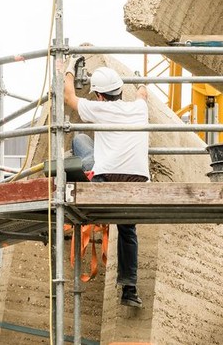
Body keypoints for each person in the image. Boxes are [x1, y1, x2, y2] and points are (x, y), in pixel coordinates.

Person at [62, 63, 149, 308]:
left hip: (107, 178)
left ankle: (75, 162)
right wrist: (140, 80)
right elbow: (143, 93)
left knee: (79, 140)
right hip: (137, 181)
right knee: (128, 229)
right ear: (121, 90)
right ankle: (129, 289)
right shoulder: (139, 108)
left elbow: (69, 96)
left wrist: (68, 68)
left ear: (100, 95)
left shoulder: (99, 109)